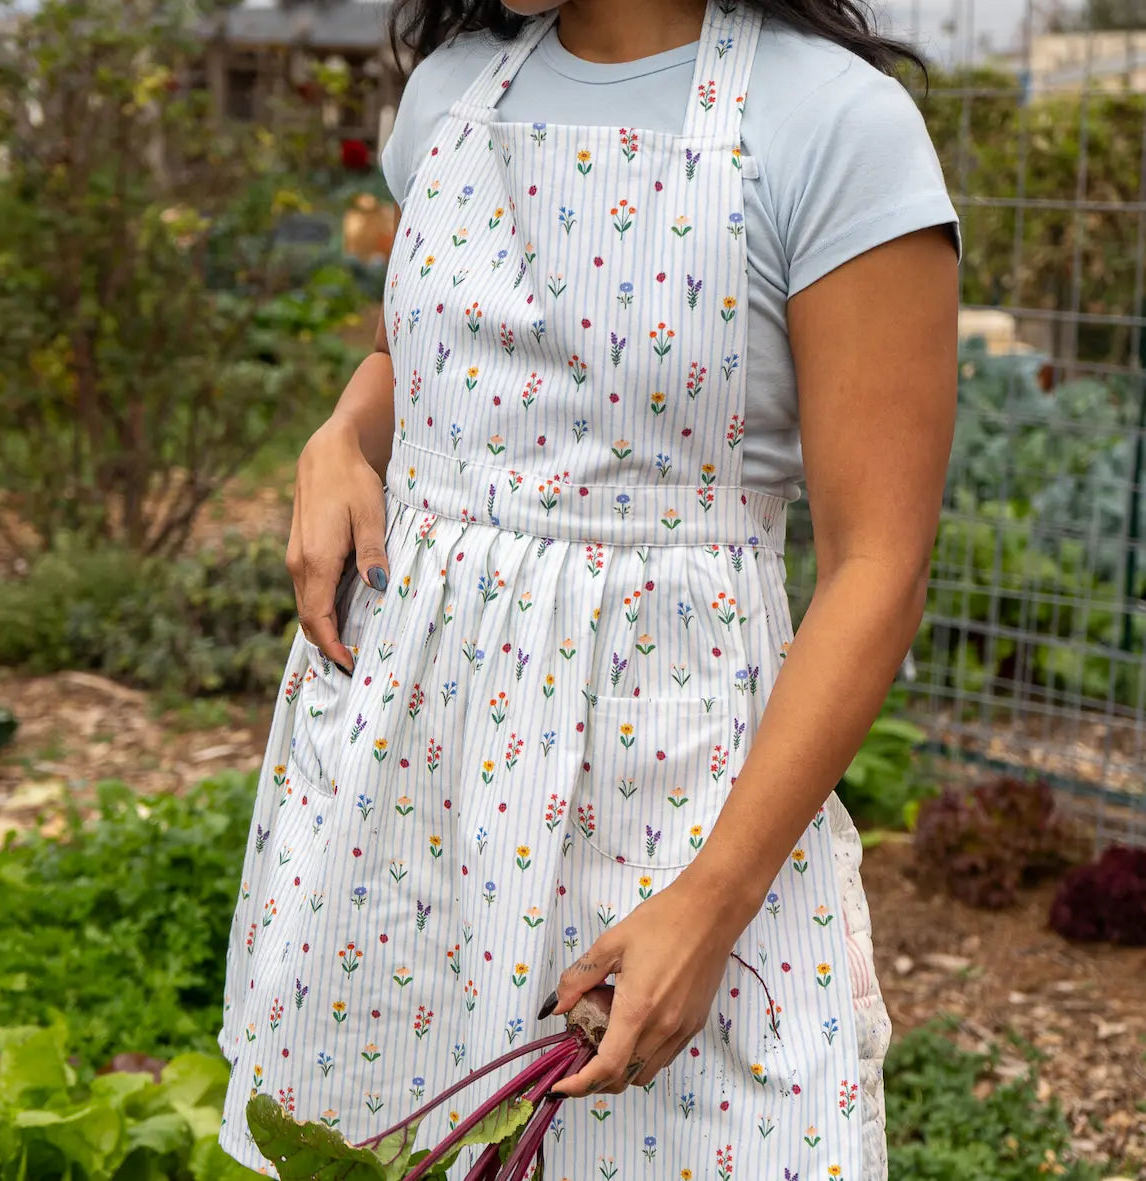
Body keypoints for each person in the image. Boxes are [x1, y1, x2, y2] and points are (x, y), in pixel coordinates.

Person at [216, 0, 959, 1176]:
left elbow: (880, 561)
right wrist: (341, 439)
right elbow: (406, 353)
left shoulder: (834, 124)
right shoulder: (450, 95)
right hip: (410, 784)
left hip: (671, 795)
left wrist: (712, 902)